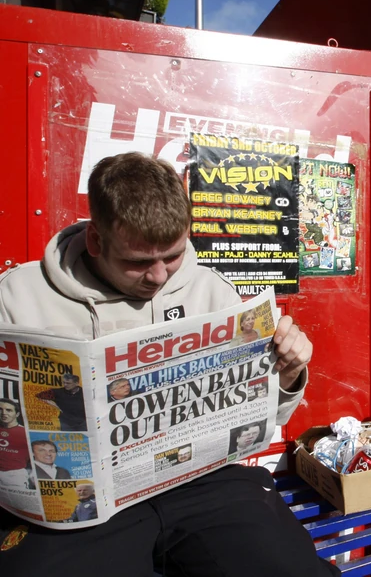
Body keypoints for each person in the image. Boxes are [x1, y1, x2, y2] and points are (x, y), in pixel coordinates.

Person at [0, 153, 337, 576]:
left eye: (173, 256)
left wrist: (286, 375)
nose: (159, 276)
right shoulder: (17, 297)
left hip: (203, 481)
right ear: (96, 241)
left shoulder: (210, 289)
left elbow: (262, 416)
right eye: (138, 262)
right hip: (85, 507)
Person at [0, 398, 31, 490]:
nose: (4, 413)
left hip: (14, 475)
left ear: (17, 414)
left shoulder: (25, 433)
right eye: (0, 409)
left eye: (8, 410)